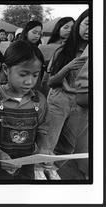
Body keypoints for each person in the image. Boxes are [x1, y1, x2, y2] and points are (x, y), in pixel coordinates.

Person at [0, 40, 51, 180]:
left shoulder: (40, 100)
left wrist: (43, 147)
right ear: (6, 69)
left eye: (35, 75)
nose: (29, 81)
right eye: (23, 74)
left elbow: (42, 129)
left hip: (27, 164)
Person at [45, 9, 89, 180]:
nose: (89, 29)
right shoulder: (62, 50)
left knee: (67, 146)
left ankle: (52, 168)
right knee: (48, 141)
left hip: (80, 105)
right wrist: (68, 66)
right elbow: (51, 82)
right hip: (59, 100)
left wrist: (73, 90)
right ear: (79, 24)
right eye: (86, 24)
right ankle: (37, 171)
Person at [40, 17, 75, 97]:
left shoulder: (75, 48)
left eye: (72, 28)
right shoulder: (47, 47)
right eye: (66, 27)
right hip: (50, 86)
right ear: (58, 29)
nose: (69, 30)